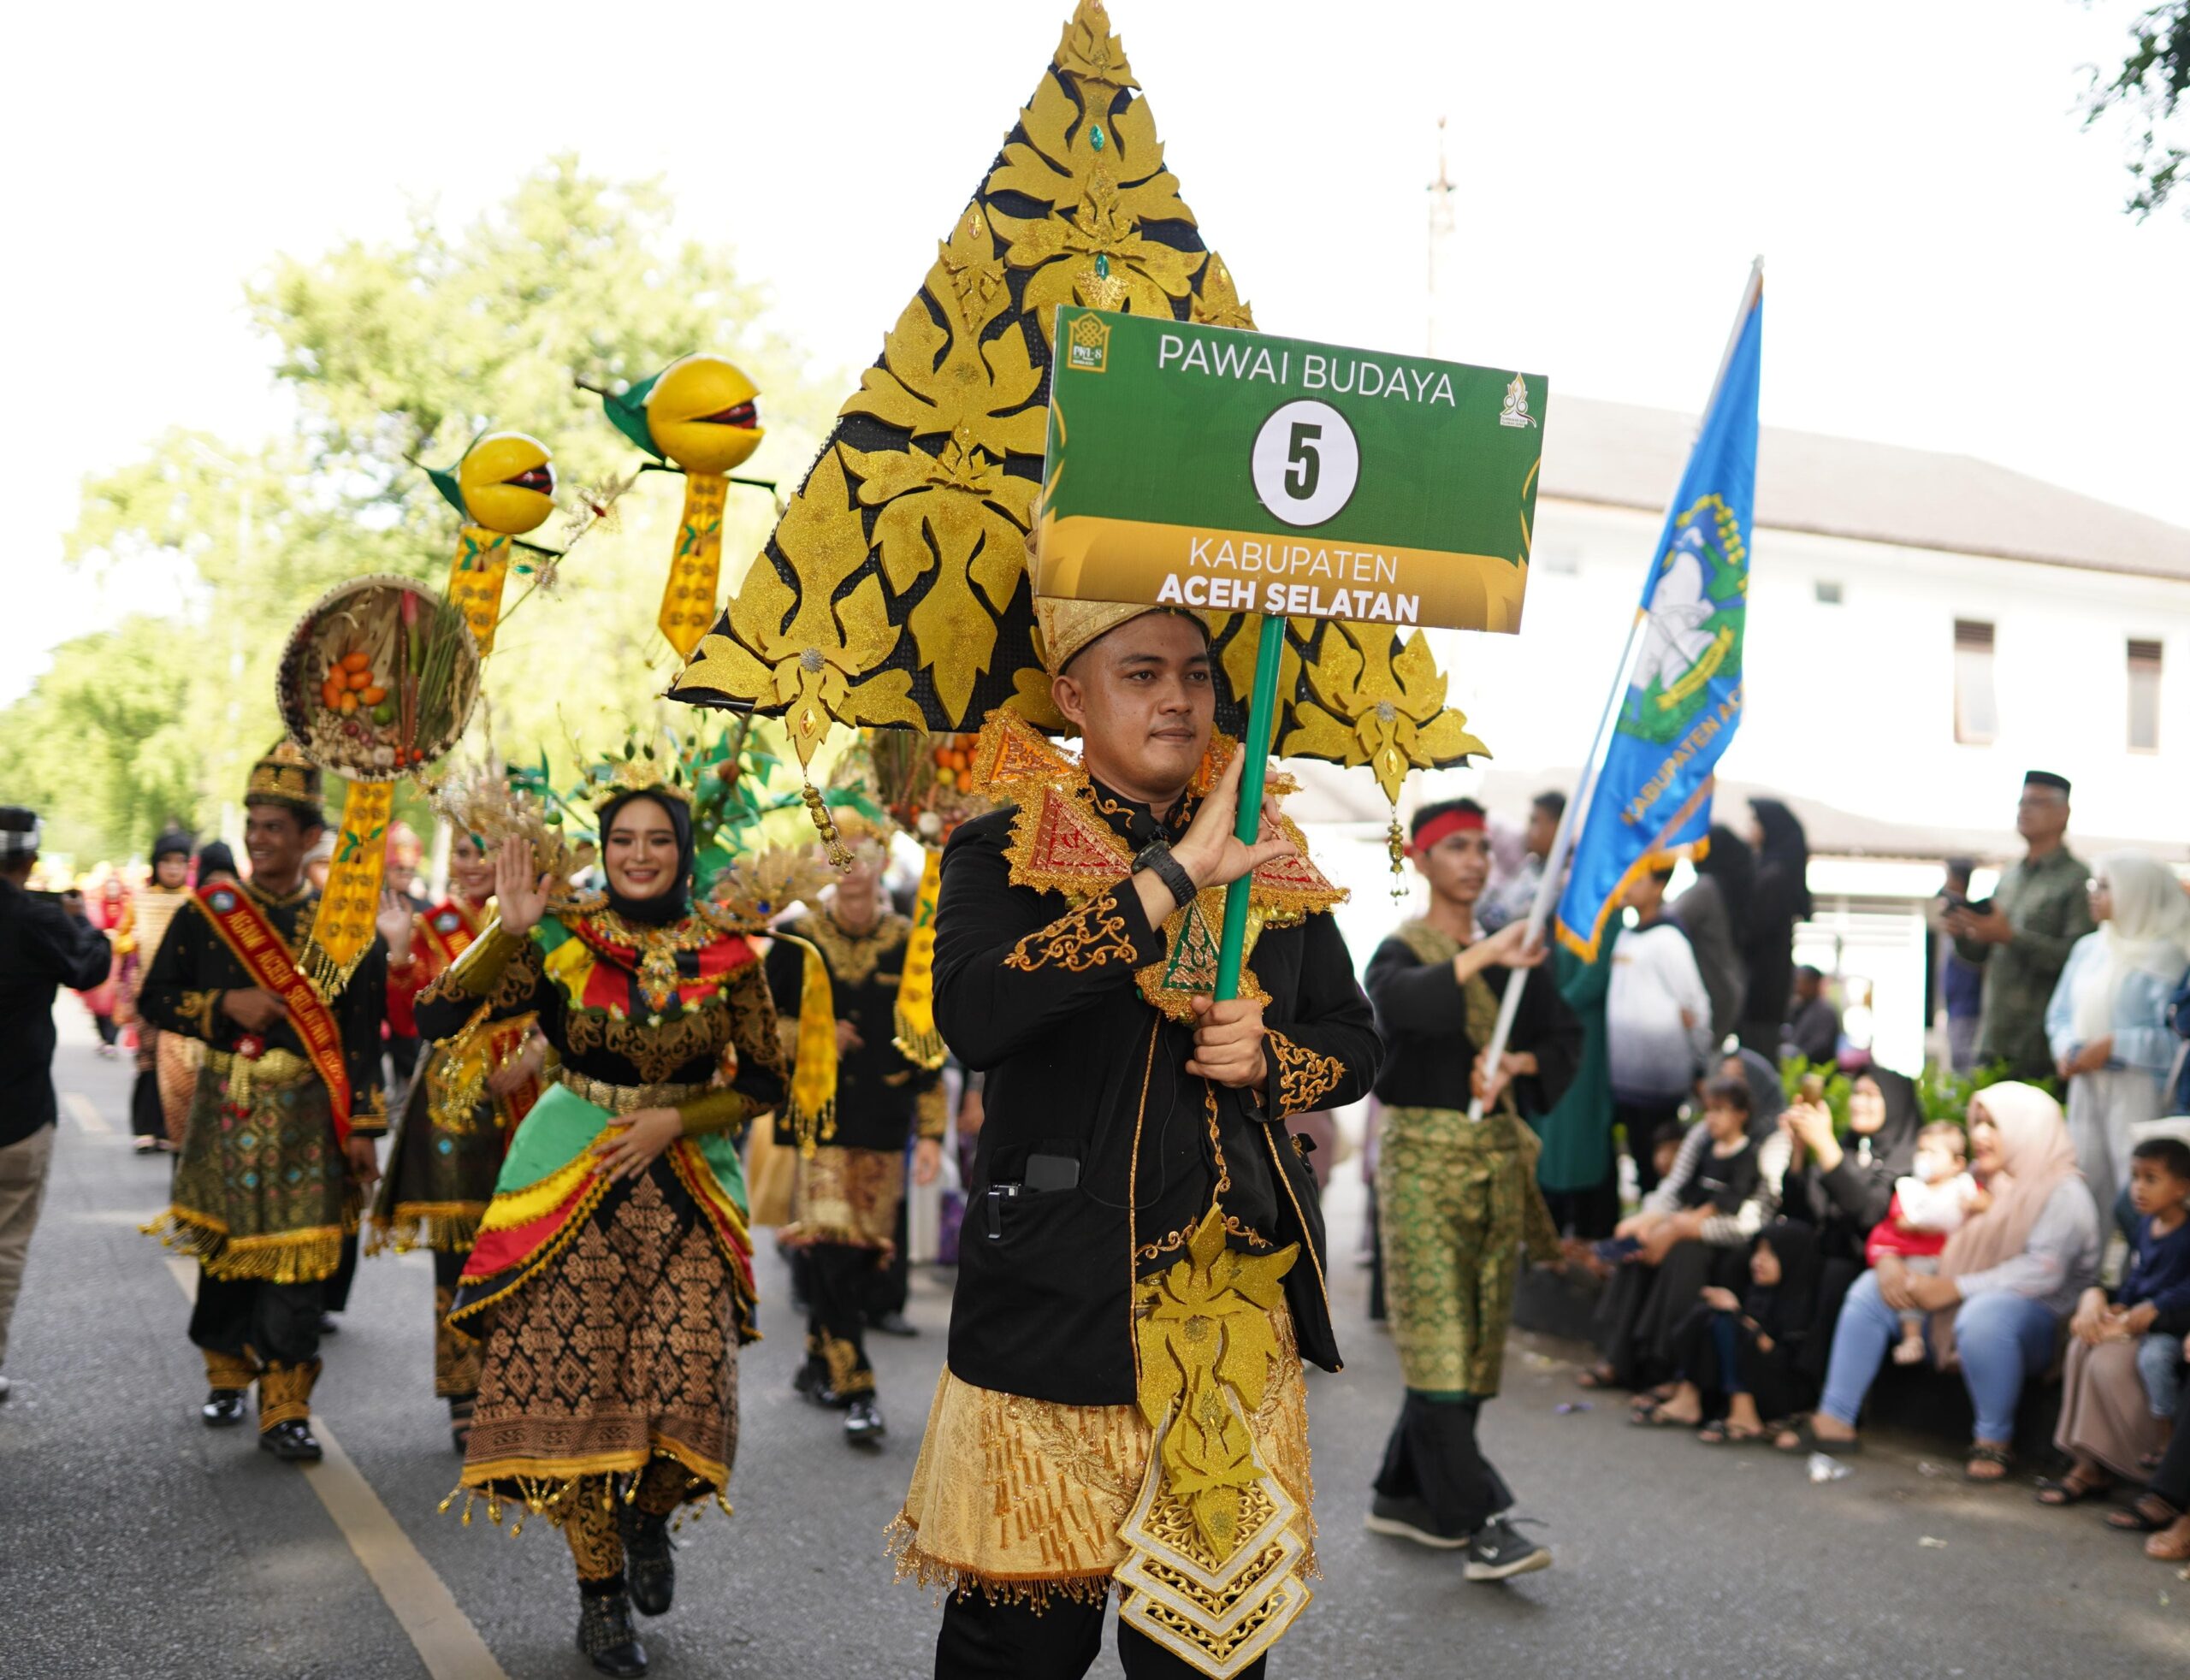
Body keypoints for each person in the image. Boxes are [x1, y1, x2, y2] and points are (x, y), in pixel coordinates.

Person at [889, 601, 1381, 1680]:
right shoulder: (1000, 845)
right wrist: (1173, 877)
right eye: (1141, 674)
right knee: (1016, 1650)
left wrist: (1268, 1057)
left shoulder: (1273, 854)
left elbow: (1353, 1042)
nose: (1176, 699)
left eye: (1197, 677)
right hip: (1054, 1311)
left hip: (1226, 1324)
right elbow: (974, 1015)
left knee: (1205, 1658)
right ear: (1073, 698)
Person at [418, 783, 787, 1679]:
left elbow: (765, 1084)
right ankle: (599, 1596)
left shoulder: (731, 950)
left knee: (693, 1374)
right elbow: (435, 1014)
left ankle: (650, 1514)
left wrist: (676, 1118)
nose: (639, 853)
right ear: (604, 846)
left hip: (688, 1184)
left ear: (683, 848)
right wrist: (505, 927)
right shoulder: (556, 933)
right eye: (623, 838)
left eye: (658, 838)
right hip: (568, 1182)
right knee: (583, 1396)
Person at [138, 743, 389, 1462]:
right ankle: (226, 1373)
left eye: (275, 826)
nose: (258, 837)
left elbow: (363, 1039)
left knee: (302, 1263)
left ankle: (286, 1403)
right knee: (226, 1256)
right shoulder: (207, 914)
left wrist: (364, 1128)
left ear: (311, 837)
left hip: (311, 1113)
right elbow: (154, 1000)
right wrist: (225, 1004)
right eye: (254, 823)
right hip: (229, 1108)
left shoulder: (343, 932)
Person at [1359, 797, 1579, 1579]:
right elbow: (1396, 1006)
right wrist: (1488, 957)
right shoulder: (1401, 950)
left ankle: (1400, 1492)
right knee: (1439, 1335)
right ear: (1422, 860)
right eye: (1456, 847)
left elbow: (1562, 1039)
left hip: (1493, 1168)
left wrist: (1518, 1065)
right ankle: (1479, 1518)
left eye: (1484, 847)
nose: (1476, 860)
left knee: (1475, 1341)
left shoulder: (1516, 961)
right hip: (1422, 1168)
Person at [1805, 1083, 2100, 1481]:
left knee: (1986, 1316)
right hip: (1948, 1304)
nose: (1979, 1135)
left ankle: (1994, 1441)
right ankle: (1835, 1416)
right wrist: (1890, 1260)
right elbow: (1912, 1231)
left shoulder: (2064, 1191)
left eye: (1994, 1125)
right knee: (1871, 1290)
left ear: (2028, 1129)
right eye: (1976, 1123)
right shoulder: (1971, 1181)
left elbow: (2044, 1272)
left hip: (2034, 1322)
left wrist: (1956, 1288)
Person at [765, 815, 945, 1446]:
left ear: (877, 863)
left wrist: (931, 1135)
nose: (851, 869)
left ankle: (817, 1361)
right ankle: (858, 1390)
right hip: (819, 1122)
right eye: (837, 857)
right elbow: (756, 1029)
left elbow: (928, 1042)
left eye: (861, 855)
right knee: (836, 1246)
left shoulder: (908, 940)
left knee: (863, 1257)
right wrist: (812, 1035)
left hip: (884, 1119)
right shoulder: (795, 939)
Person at [370, 827, 545, 1453]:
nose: (471, 865)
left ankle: (520, 1383)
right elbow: (402, 1018)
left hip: (530, 1099)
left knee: (527, 1246)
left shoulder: (543, 923)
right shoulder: (431, 923)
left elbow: (572, 1004)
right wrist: (395, 953)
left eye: (485, 850)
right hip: (451, 1104)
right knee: (459, 1253)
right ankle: (464, 1389)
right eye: (463, 853)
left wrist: (532, 1057)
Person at [0, 807, 114, 1402]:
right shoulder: (37, 918)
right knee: (5, 1246)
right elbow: (92, 967)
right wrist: (80, 920)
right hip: (17, 1115)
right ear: (30, 859)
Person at [1589, 1074, 1784, 1399]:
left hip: (1718, 1239)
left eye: (1720, 1111)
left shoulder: (1754, 1154)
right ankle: (1617, 1355)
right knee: (1636, 1247)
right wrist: (1651, 1223)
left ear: (1742, 1114)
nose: (1711, 1119)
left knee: (1682, 1257)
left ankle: (1665, 1366)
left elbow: (1733, 1212)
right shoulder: (1704, 1141)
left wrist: (1679, 1228)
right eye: (1708, 1111)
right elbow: (1677, 1189)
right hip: (1682, 1220)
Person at [2041, 1136, 2190, 1508]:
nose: (2138, 1188)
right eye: (2135, 1178)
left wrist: (2153, 1309)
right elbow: (2136, 1276)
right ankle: (2086, 1460)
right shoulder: (2144, 1228)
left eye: (2151, 1179)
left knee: (2148, 1360)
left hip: (2166, 1327)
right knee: (2081, 1343)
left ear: (2182, 1188)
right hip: (2141, 1317)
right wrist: (2117, 1304)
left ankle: (2154, 1446)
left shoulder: (2186, 1235)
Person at [2044, 852, 2190, 1204]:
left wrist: (2115, 1045)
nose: (2094, 893)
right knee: (2083, 1183)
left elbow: (2179, 1043)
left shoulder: (2171, 957)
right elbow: (2059, 1014)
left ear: (2136, 892)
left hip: (2139, 1086)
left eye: (2106, 886)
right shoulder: (2089, 949)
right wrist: (2066, 1049)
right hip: (2085, 1081)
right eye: (2094, 884)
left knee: (2137, 1190)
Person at [1945, 771, 2095, 1083]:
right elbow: (1980, 954)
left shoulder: (2076, 879)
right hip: (1995, 1035)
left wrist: (2011, 937)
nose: (2023, 810)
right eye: (2021, 802)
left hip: (2040, 1044)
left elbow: (2079, 959)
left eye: (2035, 802)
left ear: (2062, 813)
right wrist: (1964, 933)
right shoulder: (2010, 874)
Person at [1655, 1220, 1823, 1443]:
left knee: (1730, 1322)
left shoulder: (1802, 1304)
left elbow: (1785, 1360)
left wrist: (1737, 1316)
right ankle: (1688, 1396)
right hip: (1758, 1378)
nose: (1758, 1260)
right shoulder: (1759, 1294)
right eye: (1758, 1252)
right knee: (1708, 1313)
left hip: (1783, 1390)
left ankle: (1745, 1416)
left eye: (1771, 1254)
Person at [1605, 865, 1712, 1193]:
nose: (1627, 886)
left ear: (1658, 886)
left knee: (1662, 1161)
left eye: (1637, 880)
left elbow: (1695, 1004)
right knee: (1638, 1158)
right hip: (1625, 1076)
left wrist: (1699, 1062)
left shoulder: (1668, 940)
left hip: (1660, 1076)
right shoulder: (1626, 934)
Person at [1865, 1122, 1989, 1367]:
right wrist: (1924, 1223)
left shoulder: (1964, 1186)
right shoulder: (1910, 1188)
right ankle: (1913, 1338)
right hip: (1920, 1257)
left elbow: (1988, 1203)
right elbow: (1901, 1221)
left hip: (1956, 1259)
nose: (1924, 1158)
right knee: (1913, 1283)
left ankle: (1957, 1343)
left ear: (1958, 1163)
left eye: (1933, 1152)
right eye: (1921, 1151)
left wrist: (1976, 1204)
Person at [1536, 936, 1618, 1239]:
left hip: (1582, 1037)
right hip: (1556, 1035)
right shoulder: (1561, 908)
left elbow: (1592, 980)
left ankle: (1587, 1233)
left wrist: (1553, 1010)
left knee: (1582, 1132)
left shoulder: (1603, 913)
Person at [127, 827, 196, 1154]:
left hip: (181, 992)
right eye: (167, 862)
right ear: (156, 865)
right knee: (147, 1061)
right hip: (144, 990)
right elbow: (120, 941)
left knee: (177, 1063)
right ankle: (145, 1128)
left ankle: (172, 1128)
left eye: (179, 862)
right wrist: (132, 939)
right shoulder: (140, 901)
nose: (173, 868)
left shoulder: (192, 902)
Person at [1738, 798, 1811, 1057]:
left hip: (1762, 990)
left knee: (1756, 1062)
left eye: (1756, 822)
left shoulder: (1774, 876)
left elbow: (1753, 931)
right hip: (1766, 988)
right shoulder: (1771, 869)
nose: (1750, 828)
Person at [1672, 824, 1753, 1048]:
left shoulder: (1706, 888)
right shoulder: (1730, 887)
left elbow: (1669, 920)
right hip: (1728, 988)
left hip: (1711, 990)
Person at [1477, 790, 1563, 935]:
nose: (1528, 830)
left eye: (1534, 821)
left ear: (1557, 826)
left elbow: (1501, 920)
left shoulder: (1562, 879)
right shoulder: (1531, 866)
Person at [1934, 861, 1986, 1073]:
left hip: (1968, 1008)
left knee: (1965, 1067)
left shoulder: (1971, 918)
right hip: (1955, 1008)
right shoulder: (1953, 916)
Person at [1785, 965, 1840, 1065]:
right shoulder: (1799, 1008)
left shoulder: (1825, 1012)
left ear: (1814, 983)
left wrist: (1797, 1056)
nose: (1797, 986)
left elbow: (1821, 1046)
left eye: (1801, 981)